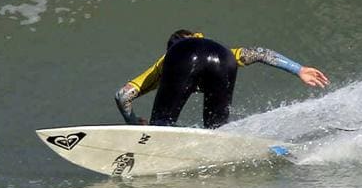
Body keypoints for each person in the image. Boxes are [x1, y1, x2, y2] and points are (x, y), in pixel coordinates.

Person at [113, 29, 329, 129]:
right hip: (223, 58)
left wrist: (133, 123)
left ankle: (161, 129)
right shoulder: (227, 51)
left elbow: (122, 96)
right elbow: (261, 53)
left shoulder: (169, 58)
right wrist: (298, 69)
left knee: (161, 124)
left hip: (183, 55)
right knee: (217, 129)